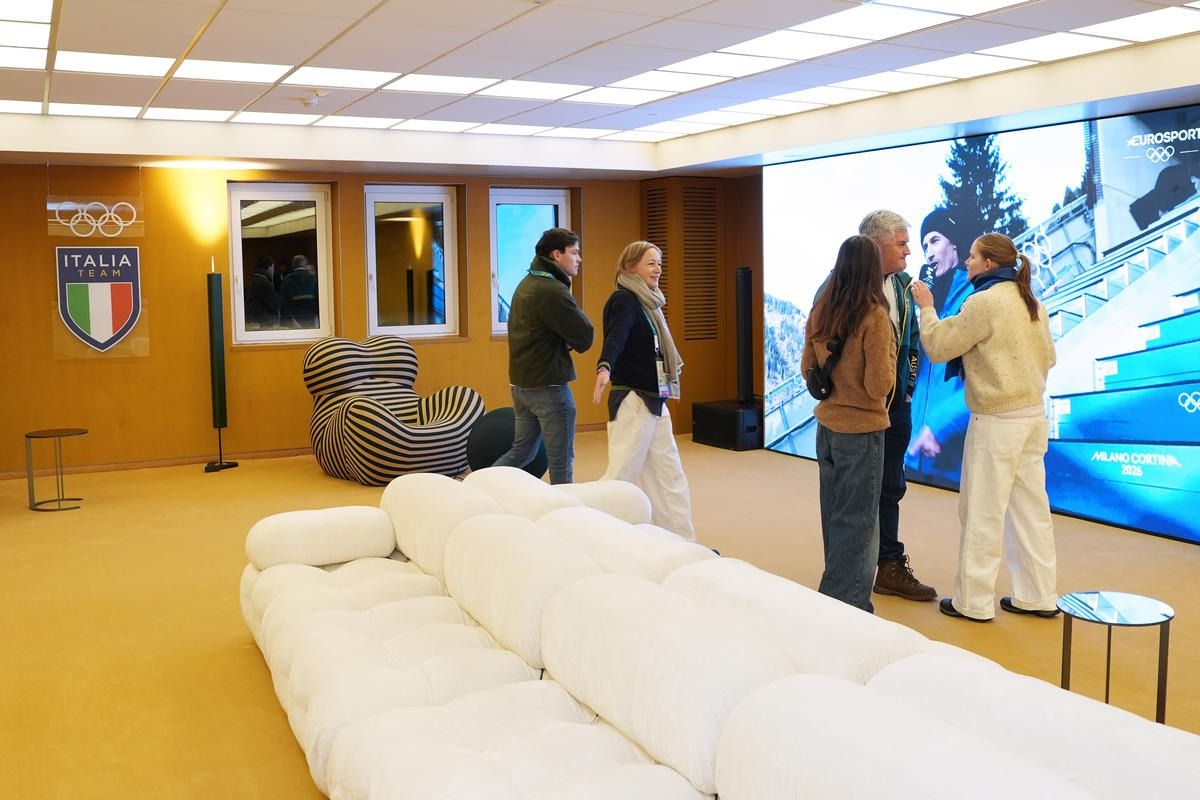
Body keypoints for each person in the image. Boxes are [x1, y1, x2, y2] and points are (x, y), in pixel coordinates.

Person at [912, 233, 1059, 622]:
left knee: (981, 512)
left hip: (996, 422)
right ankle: (1038, 596)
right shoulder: (1033, 303)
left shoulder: (983, 302)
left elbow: (939, 346)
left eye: (973, 256)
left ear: (989, 264)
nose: (967, 262)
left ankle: (973, 602)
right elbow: (1050, 357)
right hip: (1032, 417)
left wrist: (927, 308)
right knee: (1031, 511)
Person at [803, 235, 895, 612]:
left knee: (835, 516)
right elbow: (878, 386)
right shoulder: (875, 316)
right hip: (861, 431)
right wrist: (890, 353)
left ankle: (841, 599)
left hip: (826, 428)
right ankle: (845, 606)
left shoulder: (821, 310)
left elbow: (808, 368)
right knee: (858, 522)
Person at [858, 210, 937, 601]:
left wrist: (905, 392)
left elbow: (913, 346)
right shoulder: (843, 285)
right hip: (859, 413)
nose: (909, 250)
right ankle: (849, 571)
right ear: (876, 245)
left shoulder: (905, 287)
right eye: (901, 243)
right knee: (856, 491)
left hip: (896, 409)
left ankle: (888, 566)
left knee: (891, 486)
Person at [593, 241, 694, 540]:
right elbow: (616, 336)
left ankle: (681, 541)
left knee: (668, 475)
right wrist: (605, 367)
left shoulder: (649, 304)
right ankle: (595, 536)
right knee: (621, 477)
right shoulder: (624, 300)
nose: (658, 269)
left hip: (655, 399)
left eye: (659, 263)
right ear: (630, 266)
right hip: (633, 399)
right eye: (651, 263)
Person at [492, 227, 594, 484]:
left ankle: (479, 488)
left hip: (523, 386)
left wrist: (562, 338)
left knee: (522, 453)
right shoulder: (552, 290)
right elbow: (585, 335)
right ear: (557, 254)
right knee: (561, 463)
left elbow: (539, 333)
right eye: (574, 253)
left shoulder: (526, 284)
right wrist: (566, 340)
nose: (579, 259)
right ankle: (564, 508)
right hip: (549, 388)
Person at [906, 208, 973, 486]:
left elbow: (989, 380)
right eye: (925, 246)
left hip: (952, 460)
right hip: (913, 455)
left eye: (935, 241)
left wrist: (939, 426)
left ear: (954, 243)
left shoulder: (975, 297)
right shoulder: (926, 303)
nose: (929, 253)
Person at [280, 254, 319, 328]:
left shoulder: (287, 279)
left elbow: (282, 301)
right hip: (310, 318)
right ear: (305, 265)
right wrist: (316, 315)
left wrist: (291, 320)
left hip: (293, 319)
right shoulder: (313, 278)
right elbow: (319, 298)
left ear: (293, 265)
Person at [244, 255, 280, 329]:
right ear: (269, 267)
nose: (273, 270)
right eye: (273, 267)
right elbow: (276, 303)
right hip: (262, 323)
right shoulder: (263, 283)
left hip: (253, 320)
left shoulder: (253, 280)